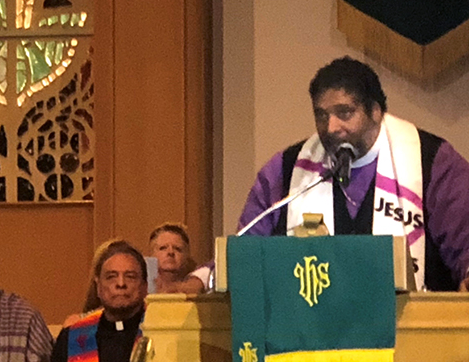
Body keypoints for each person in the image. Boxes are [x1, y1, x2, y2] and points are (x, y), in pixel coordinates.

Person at [190, 56, 469, 292]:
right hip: (315, 336)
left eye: (345, 112)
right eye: (321, 115)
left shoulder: (430, 160)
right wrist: (201, 279)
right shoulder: (287, 170)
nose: (331, 127)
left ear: (375, 111)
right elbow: (248, 250)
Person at [51, 240, 147, 362]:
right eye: (111, 277)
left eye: (130, 276)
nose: (121, 283)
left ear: (145, 286)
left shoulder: (161, 331)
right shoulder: (72, 337)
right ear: (98, 286)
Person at [147, 223, 196, 294]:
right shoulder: (140, 291)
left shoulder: (196, 293)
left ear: (186, 256)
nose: (170, 252)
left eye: (177, 249)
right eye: (163, 248)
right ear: (151, 254)